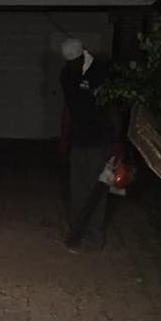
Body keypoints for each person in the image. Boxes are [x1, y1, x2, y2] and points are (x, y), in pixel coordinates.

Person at [59, 38, 116, 253]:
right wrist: (64, 139)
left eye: (75, 61)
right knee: (77, 189)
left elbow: (114, 108)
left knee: (97, 190)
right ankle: (76, 233)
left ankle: (94, 237)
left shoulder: (101, 72)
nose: (72, 66)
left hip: (100, 140)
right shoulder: (66, 75)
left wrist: (117, 143)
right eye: (68, 62)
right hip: (79, 140)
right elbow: (68, 108)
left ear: (83, 54)